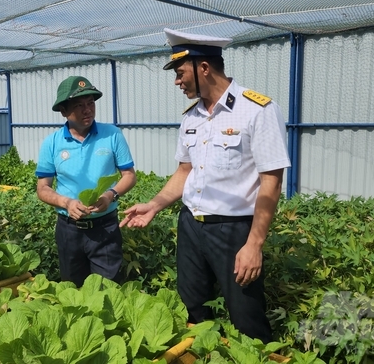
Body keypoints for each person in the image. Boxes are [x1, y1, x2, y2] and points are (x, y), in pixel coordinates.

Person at [120, 28, 290, 343]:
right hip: (191, 227)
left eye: (180, 72)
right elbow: (185, 171)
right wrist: (155, 205)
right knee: (193, 310)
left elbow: (271, 182)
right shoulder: (192, 117)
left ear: (204, 68)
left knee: (246, 317)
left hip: (234, 231)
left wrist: (253, 245)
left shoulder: (257, 110)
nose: (177, 80)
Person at [36, 76, 137, 287]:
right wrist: (67, 203)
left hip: (105, 227)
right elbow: (43, 188)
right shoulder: (52, 143)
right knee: (73, 289)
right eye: (79, 105)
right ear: (63, 111)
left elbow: (129, 175)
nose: (87, 110)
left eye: (90, 103)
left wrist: (111, 195)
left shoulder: (112, 135)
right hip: (68, 229)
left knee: (108, 289)